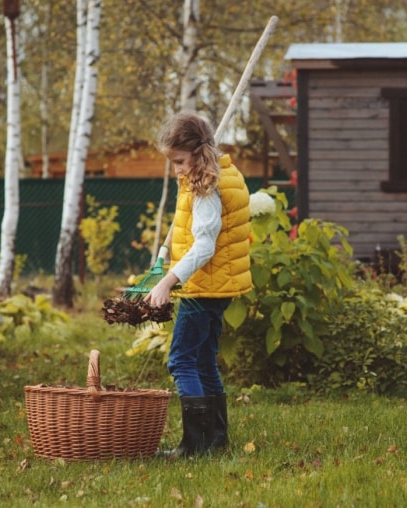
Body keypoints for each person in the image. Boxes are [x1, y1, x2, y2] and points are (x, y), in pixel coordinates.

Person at [144, 112, 252, 459]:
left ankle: (192, 446)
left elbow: (204, 246)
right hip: (217, 286)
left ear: (196, 152)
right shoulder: (218, 174)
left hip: (203, 287)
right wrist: (164, 251)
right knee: (204, 360)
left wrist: (167, 282)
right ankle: (215, 439)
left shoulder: (207, 186)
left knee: (181, 361)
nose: (176, 168)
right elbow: (184, 222)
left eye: (178, 160)